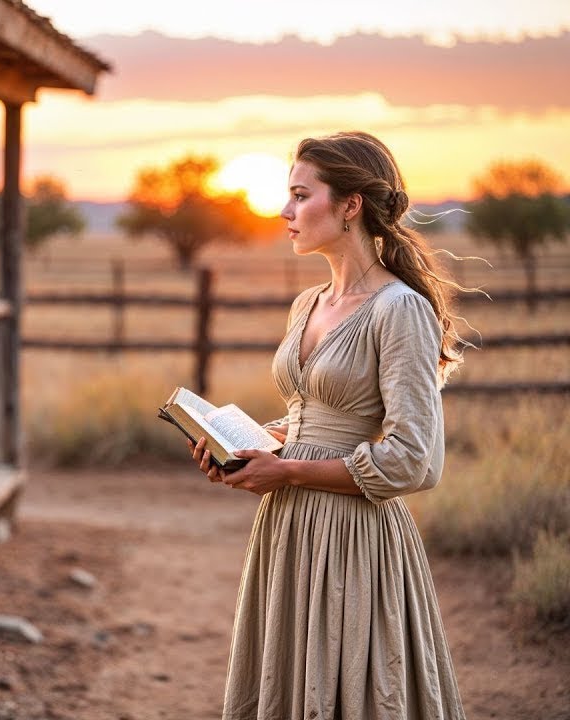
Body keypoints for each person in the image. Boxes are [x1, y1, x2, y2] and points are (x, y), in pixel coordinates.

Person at [190, 131, 468, 719]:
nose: (285, 212)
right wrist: (244, 446)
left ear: (350, 205)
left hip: (353, 535)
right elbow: (310, 418)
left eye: (299, 195)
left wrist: (286, 469)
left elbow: (414, 460)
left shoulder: (400, 310)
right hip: (288, 529)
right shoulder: (308, 304)